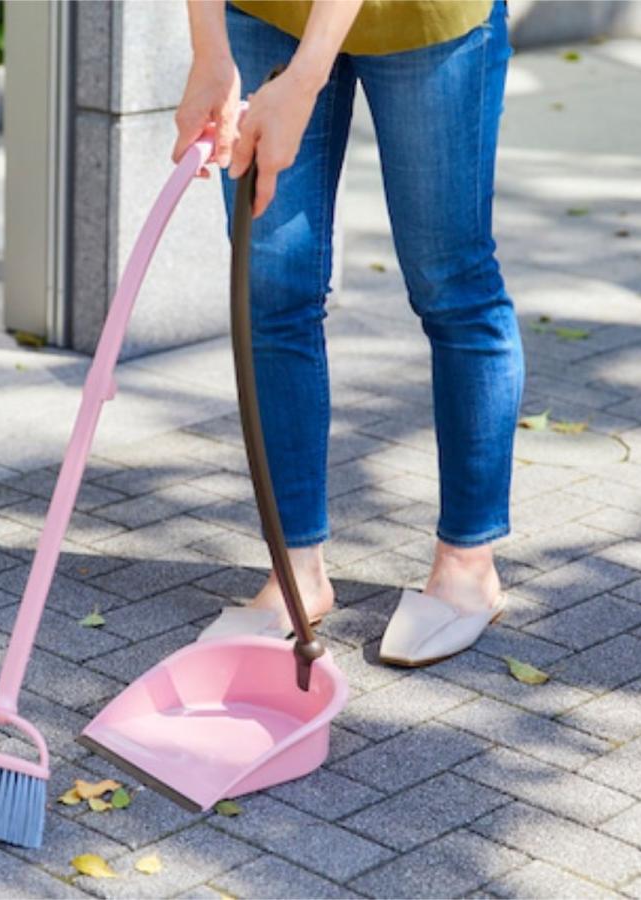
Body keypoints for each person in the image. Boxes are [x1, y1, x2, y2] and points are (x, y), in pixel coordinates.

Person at [173, 0, 524, 666]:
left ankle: (469, 562)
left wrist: (304, 80)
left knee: (452, 283)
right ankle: (295, 566)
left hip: (425, 20)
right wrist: (209, 52)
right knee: (272, 290)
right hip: (266, 13)